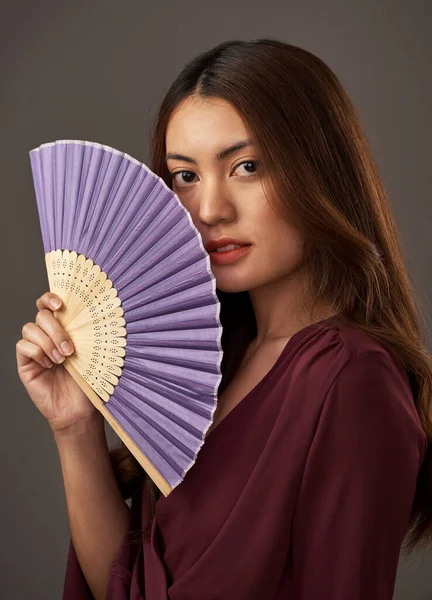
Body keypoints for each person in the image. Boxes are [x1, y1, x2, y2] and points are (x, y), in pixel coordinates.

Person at [16, 38, 432, 600]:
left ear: (321, 171)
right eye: (184, 176)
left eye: (247, 167)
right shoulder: (210, 366)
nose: (209, 210)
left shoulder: (353, 380)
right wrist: (75, 428)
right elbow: (128, 588)